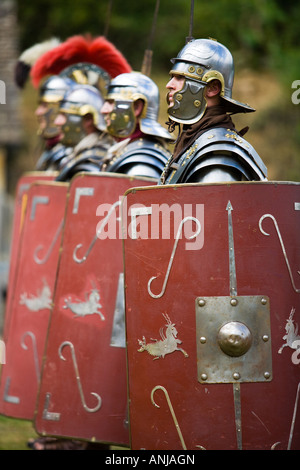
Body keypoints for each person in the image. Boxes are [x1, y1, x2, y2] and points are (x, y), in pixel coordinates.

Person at [159, 38, 267, 184]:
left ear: (212, 88)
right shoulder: (192, 140)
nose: (169, 85)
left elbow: (215, 204)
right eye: (172, 77)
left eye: (180, 77)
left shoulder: (217, 153)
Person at [100, 71, 174, 179]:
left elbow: (128, 196)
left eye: (111, 102)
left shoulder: (142, 162)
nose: (103, 110)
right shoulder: (127, 150)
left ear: (136, 108)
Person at [54, 83, 115, 181]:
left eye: (64, 115)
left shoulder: (93, 161)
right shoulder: (77, 156)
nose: (57, 121)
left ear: (88, 119)